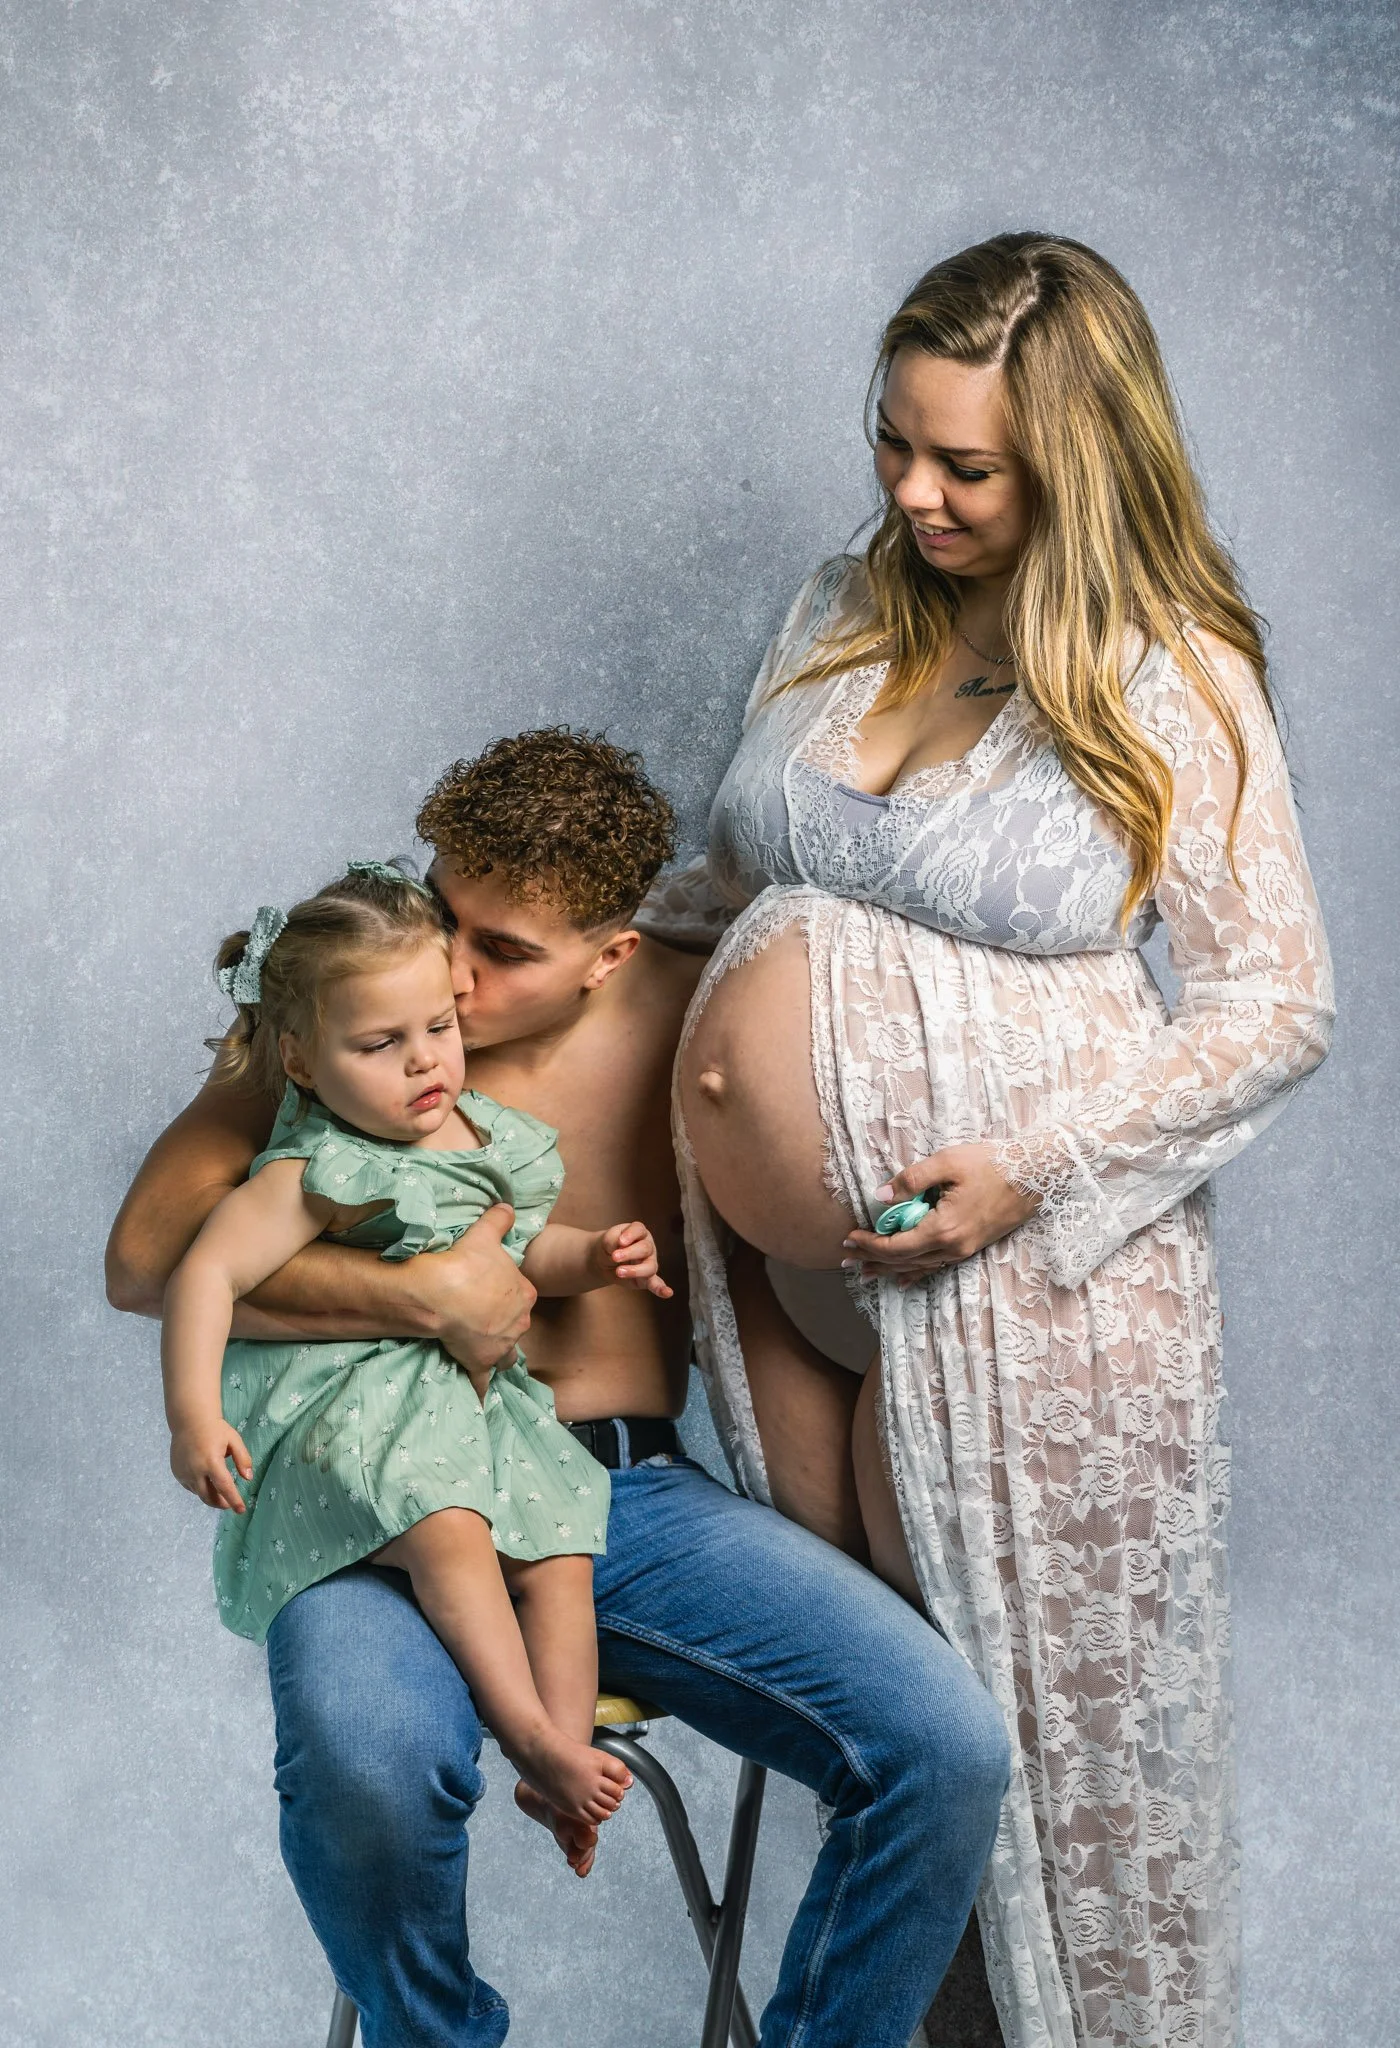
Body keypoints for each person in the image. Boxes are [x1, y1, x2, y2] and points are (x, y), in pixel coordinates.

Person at [650, 234, 1334, 2048]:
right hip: (793, 1278)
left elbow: (1277, 999)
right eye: (896, 442)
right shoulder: (834, 605)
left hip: (1032, 1275)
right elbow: (726, 892)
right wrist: (477, 970)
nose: (916, 491)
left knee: (1051, 1800)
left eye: (971, 465)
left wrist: (1030, 1161)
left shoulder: (1163, 663)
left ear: (1081, 460)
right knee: (906, 1771)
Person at [106, 728, 1011, 2048]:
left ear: (612, 954)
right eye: (445, 911)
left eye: (505, 952)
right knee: (368, 1768)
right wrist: (409, 1297)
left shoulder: (704, 1012)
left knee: (946, 1751)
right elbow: (146, 1261)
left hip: (625, 1499)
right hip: (375, 1506)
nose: (454, 982)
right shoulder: (352, 1002)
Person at [164, 858, 672, 1861]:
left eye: (437, 1027)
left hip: (479, 1410)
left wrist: (599, 1254)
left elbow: (526, 1248)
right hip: (358, 1410)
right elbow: (204, 1275)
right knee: (449, 1528)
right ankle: (524, 1725)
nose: (422, 1062)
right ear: (304, 1063)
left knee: (561, 1550)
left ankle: (558, 1763)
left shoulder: (484, 1137)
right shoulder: (321, 1164)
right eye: (379, 1044)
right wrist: (193, 1413)